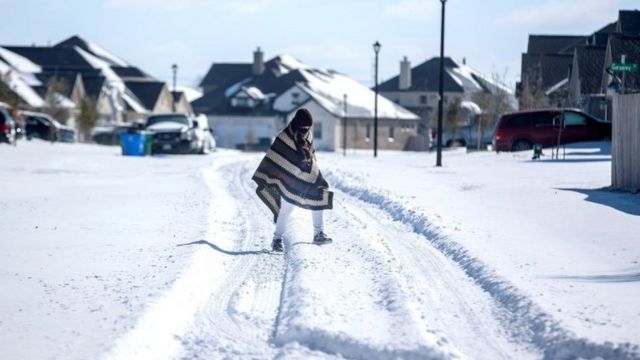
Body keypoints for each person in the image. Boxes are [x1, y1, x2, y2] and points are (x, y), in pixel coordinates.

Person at [252, 108, 333, 252]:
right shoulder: (284, 136)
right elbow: (275, 158)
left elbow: (311, 155)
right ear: (296, 123)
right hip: (290, 179)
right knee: (287, 210)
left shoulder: (309, 135)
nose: (305, 130)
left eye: (308, 127)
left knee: (319, 196)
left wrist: (313, 171)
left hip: (308, 177)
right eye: (303, 127)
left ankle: (318, 234)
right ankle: (277, 239)